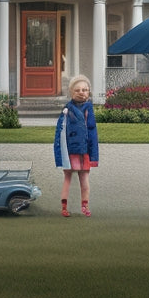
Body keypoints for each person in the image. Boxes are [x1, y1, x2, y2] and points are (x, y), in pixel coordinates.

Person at [53, 74, 99, 217]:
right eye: (77, 90)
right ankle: (64, 206)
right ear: (71, 92)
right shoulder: (67, 109)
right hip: (70, 151)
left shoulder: (88, 109)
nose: (81, 92)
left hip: (84, 151)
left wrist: (93, 155)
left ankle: (85, 205)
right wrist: (60, 154)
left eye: (85, 90)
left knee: (84, 178)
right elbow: (59, 133)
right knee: (67, 177)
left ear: (89, 92)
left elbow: (92, 133)